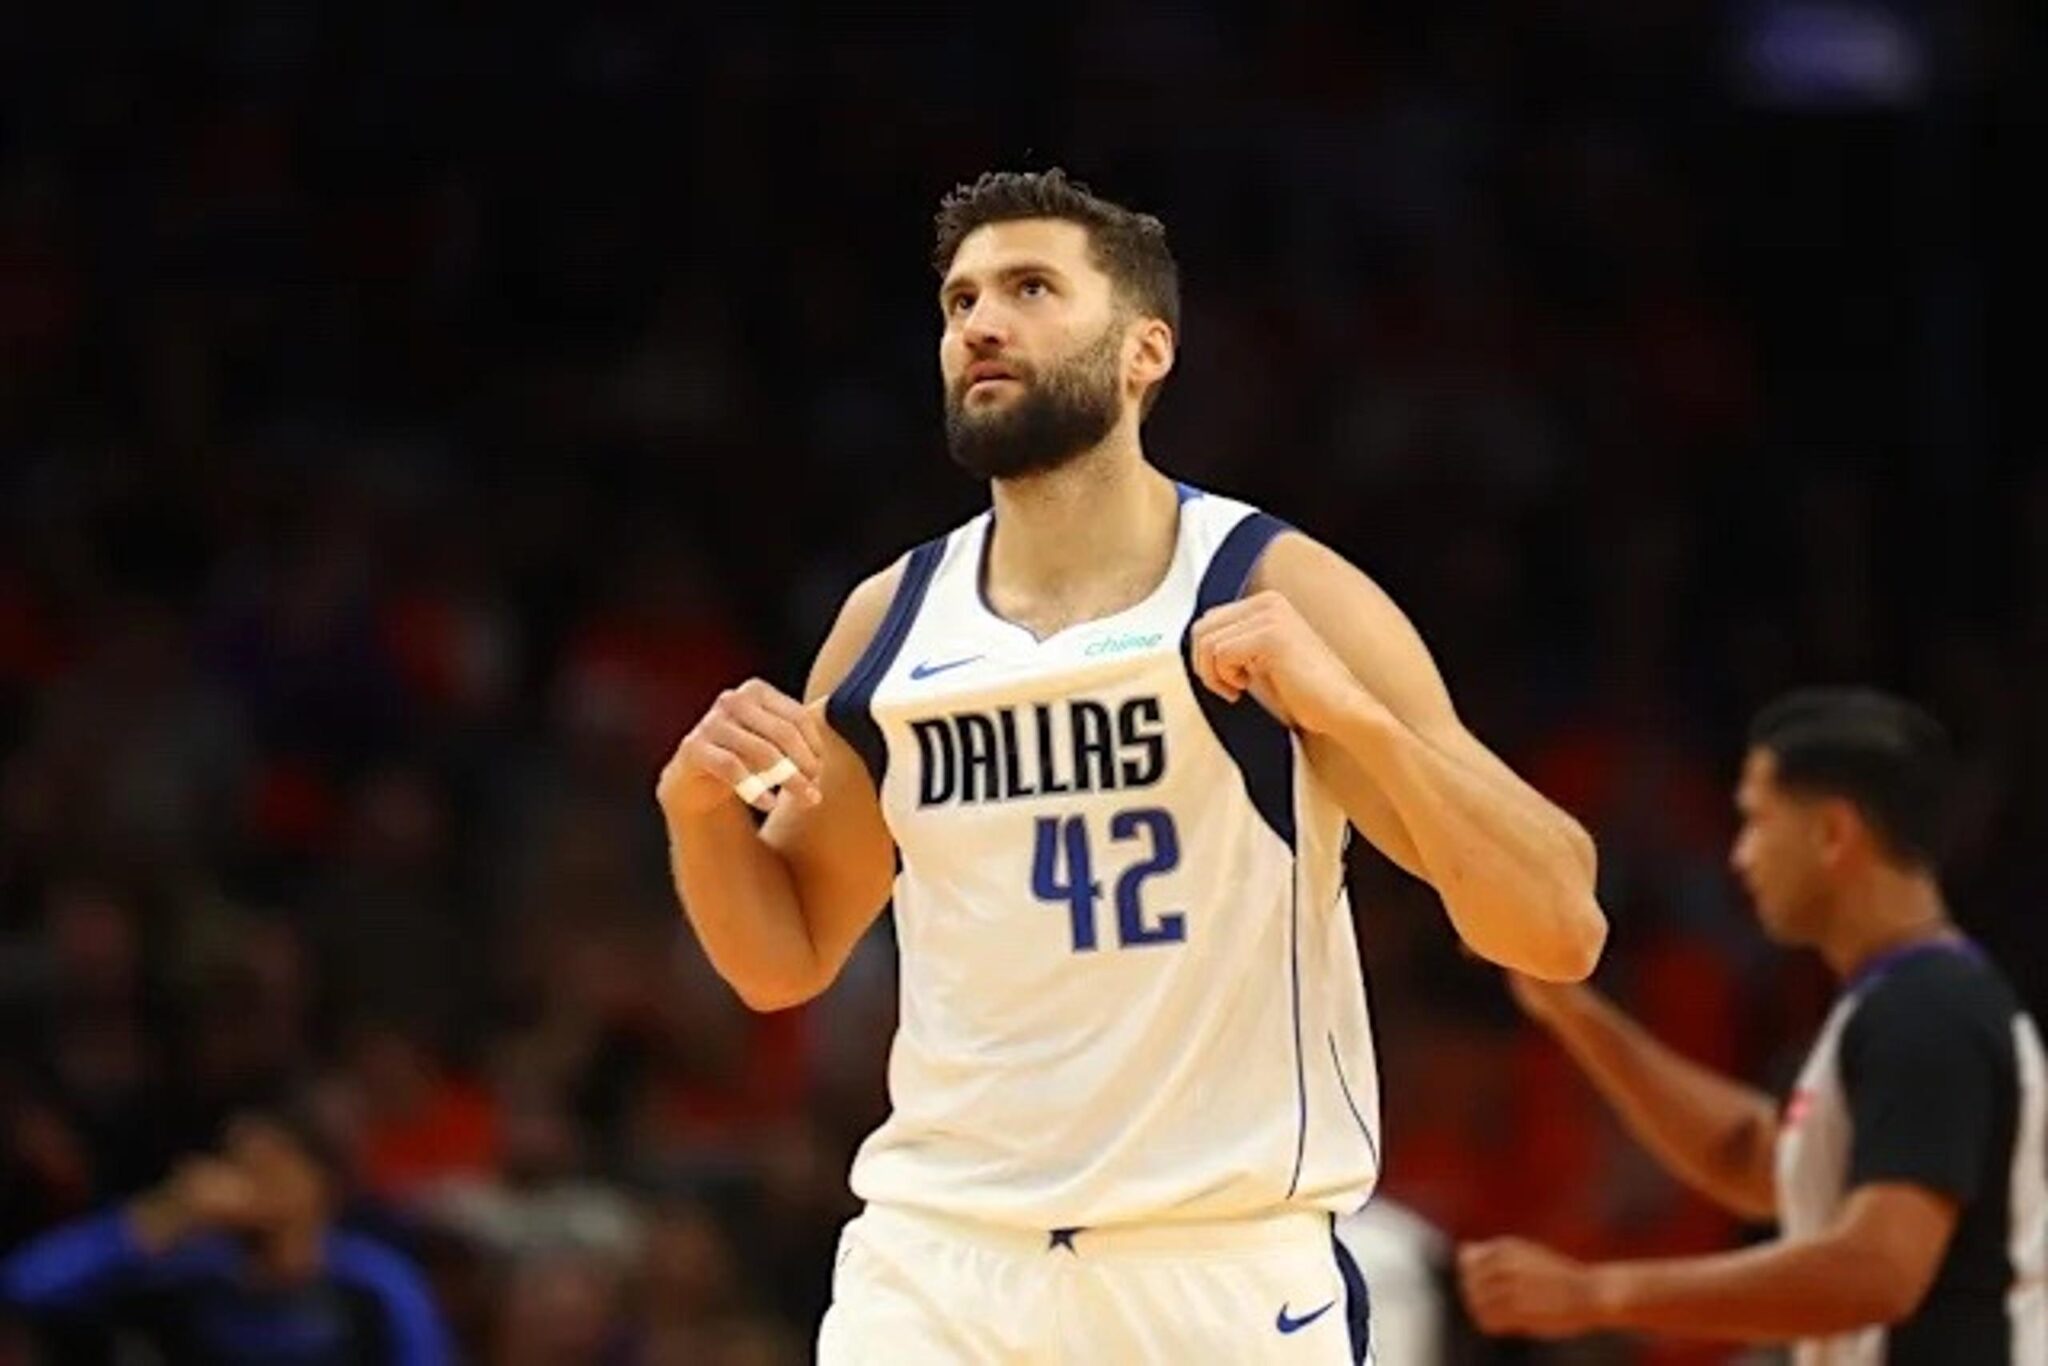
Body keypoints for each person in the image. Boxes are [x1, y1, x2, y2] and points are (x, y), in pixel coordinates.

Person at [656, 167, 1606, 1364]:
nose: (980, 323)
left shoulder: (1267, 584)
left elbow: (1556, 925)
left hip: (1216, 1265)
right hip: (940, 1260)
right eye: (958, 301)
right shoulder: (886, 623)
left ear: (1143, 350)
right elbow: (781, 958)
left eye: (1029, 289)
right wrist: (695, 811)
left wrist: (1352, 720)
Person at [1458, 688, 2046, 1364]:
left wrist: (1596, 1292)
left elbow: (1878, 1270)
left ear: (1833, 833)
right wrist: (1568, 1008)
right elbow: (1757, 1162)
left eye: (1759, 821)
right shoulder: (1904, 998)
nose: (1741, 855)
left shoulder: (1929, 1011)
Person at [0, 1100, 452, 1365]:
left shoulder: (373, 1283)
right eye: (237, 1166)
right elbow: (27, 1285)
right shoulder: (192, 1276)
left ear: (317, 1184)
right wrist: (165, 1212)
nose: (244, 1183)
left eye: (266, 1168)